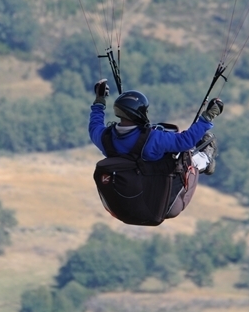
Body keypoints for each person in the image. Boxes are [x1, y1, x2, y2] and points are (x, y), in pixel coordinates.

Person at [89, 79, 223, 225]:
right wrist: (207, 118)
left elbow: (94, 125)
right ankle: (205, 159)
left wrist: (99, 100)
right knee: (185, 157)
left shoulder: (105, 138)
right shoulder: (153, 139)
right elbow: (186, 141)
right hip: (167, 204)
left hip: (129, 208)